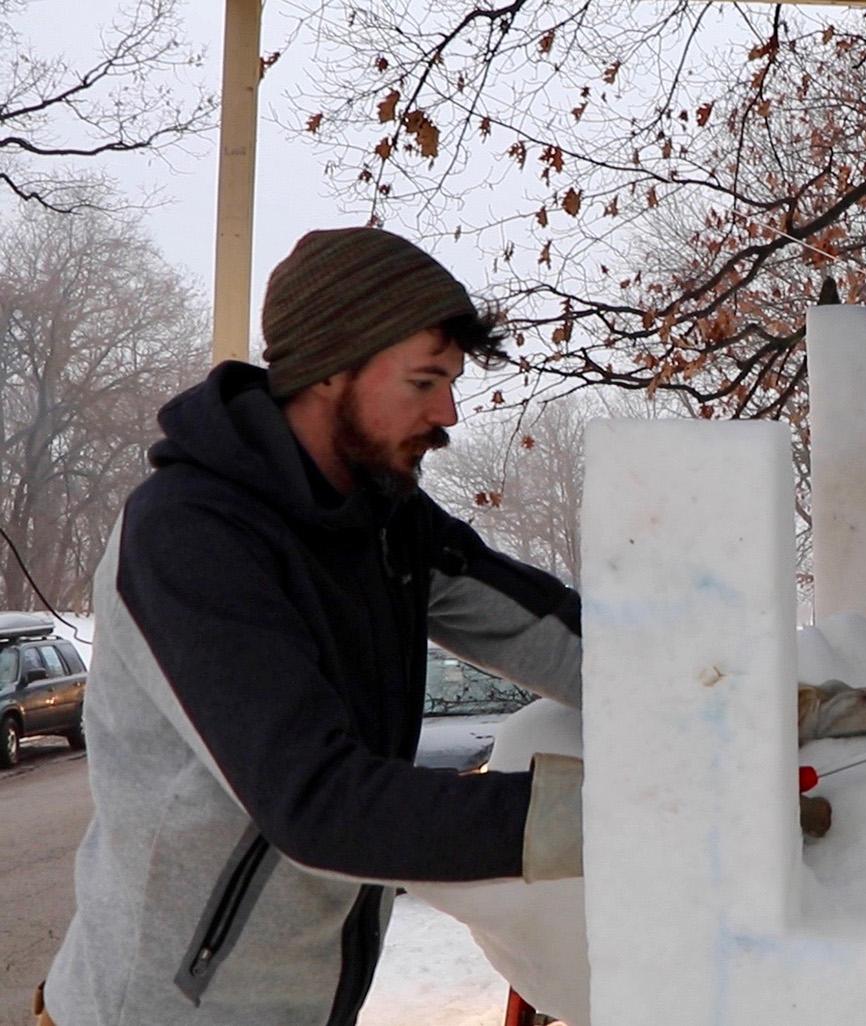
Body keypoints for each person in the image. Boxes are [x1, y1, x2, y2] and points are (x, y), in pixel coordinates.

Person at [39, 228, 585, 1026]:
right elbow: (320, 804)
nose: (449, 413)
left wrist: (753, 692)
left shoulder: (385, 518)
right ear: (333, 367)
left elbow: (546, 628)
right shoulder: (189, 538)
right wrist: (622, 810)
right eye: (426, 381)